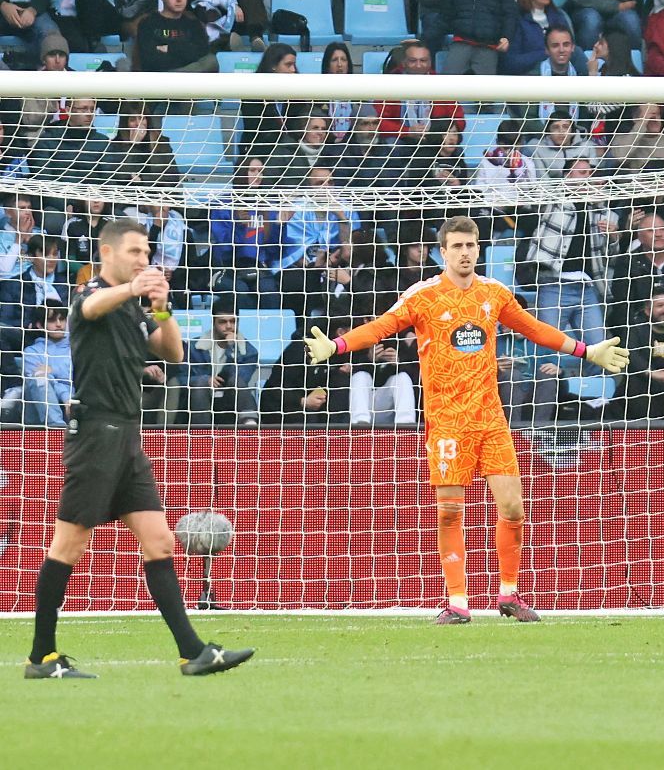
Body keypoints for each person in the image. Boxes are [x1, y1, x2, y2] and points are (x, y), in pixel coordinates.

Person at [303, 215, 629, 623]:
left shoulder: (494, 293)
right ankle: (457, 601)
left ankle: (509, 594)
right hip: (447, 422)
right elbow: (383, 327)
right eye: (456, 246)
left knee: (512, 509)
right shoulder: (423, 295)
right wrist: (337, 345)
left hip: (491, 419)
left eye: (470, 246)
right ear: (443, 252)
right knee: (448, 511)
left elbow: (533, 329)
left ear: (478, 249)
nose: (464, 253)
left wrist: (586, 351)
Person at [24, 218, 255, 678]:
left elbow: (173, 355)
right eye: (134, 252)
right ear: (107, 253)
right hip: (94, 434)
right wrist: (133, 289)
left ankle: (194, 653)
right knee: (69, 545)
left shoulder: (135, 307)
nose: (143, 260)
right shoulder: (90, 294)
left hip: (127, 435)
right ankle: (42, 658)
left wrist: (163, 308)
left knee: (161, 542)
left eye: (147, 253)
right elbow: (91, 309)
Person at [135, 0, 217, 74]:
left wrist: (167, 48)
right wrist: (185, 49)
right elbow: (150, 60)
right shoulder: (147, 23)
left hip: (190, 80)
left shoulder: (194, 24)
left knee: (211, 61)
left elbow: (201, 52)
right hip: (160, 79)